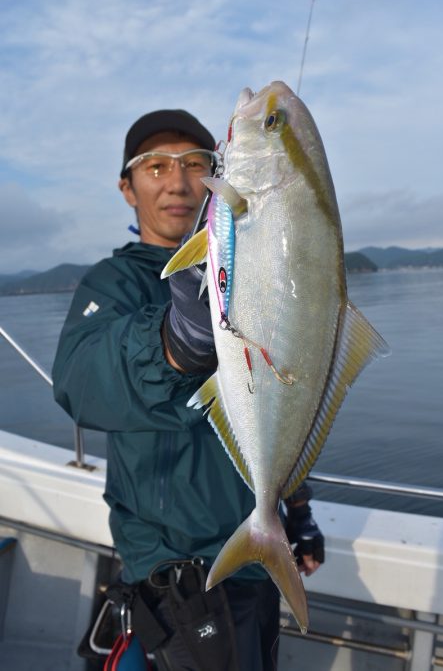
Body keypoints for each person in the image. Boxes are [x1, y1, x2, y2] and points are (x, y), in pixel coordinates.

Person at [52, 109, 325, 671]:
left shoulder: (255, 267)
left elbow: (282, 396)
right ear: (127, 187)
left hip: (257, 567)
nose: (177, 181)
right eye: (155, 166)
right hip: (171, 579)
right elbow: (80, 381)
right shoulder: (114, 283)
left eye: (195, 164)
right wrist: (172, 343)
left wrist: (297, 508)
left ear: (217, 177)